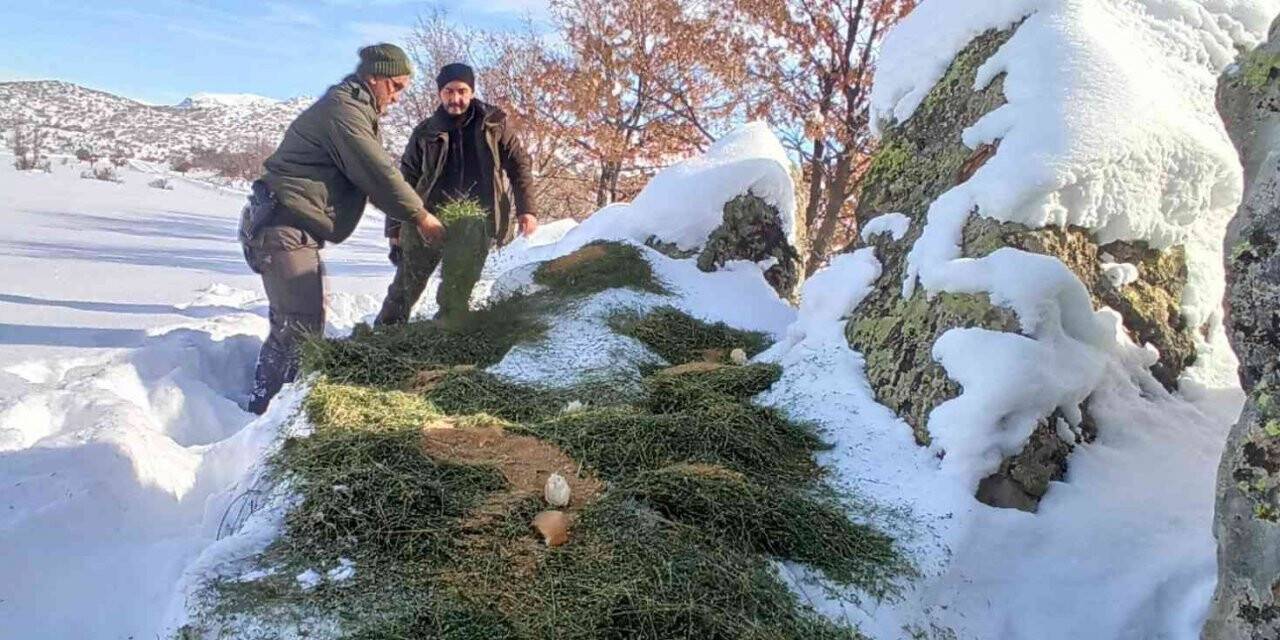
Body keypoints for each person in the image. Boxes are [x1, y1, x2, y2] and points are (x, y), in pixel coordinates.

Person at [241, 43, 444, 415]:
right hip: (282, 226)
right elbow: (378, 173)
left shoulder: (357, 108)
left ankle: (280, 403)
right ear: (375, 78)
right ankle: (263, 411)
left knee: (301, 321)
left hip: (294, 230)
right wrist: (421, 217)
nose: (398, 97)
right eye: (396, 87)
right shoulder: (345, 112)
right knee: (297, 327)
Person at [375, 62, 538, 326]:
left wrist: (526, 209)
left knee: (457, 290)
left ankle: (445, 336)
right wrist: (394, 230)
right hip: (427, 219)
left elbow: (519, 165)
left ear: (471, 91)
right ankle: (382, 336)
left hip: (477, 221)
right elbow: (404, 181)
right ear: (440, 93)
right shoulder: (425, 132)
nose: (456, 98)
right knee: (404, 287)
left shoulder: (494, 124)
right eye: (449, 91)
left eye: (462, 91)